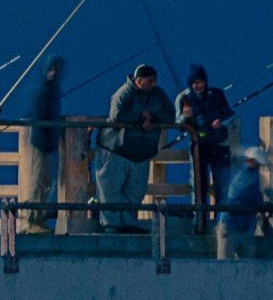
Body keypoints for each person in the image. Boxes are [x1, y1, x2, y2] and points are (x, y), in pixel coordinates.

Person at [94, 64, 174, 234]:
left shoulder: (159, 95)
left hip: (141, 151)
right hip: (116, 149)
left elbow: (170, 115)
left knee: (135, 190)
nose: (153, 84)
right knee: (111, 188)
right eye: (149, 81)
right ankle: (112, 225)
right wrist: (139, 119)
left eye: (154, 81)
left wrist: (153, 118)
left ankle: (129, 223)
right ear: (138, 81)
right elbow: (116, 116)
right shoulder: (124, 92)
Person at [175, 64, 234, 232]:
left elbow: (230, 114)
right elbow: (178, 125)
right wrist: (184, 117)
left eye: (200, 81)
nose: (198, 85)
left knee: (222, 185)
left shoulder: (216, 94)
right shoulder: (183, 98)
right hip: (198, 147)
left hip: (220, 146)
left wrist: (220, 121)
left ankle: (221, 224)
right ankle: (199, 224)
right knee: (199, 185)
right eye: (194, 82)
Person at [24, 55, 64, 234]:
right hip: (41, 144)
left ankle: (38, 220)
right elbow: (39, 117)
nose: (54, 73)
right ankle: (33, 222)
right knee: (38, 182)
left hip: (50, 144)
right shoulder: (42, 90)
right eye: (51, 69)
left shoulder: (54, 89)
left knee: (46, 182)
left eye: (56, 69)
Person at [216, 146, 273, 260]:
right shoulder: (250, 178)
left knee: (224, 264)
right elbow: (253, 198)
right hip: (236, 225)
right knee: (246, 265)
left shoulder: (240, 175)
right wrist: (262, 207)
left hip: (233, 224)